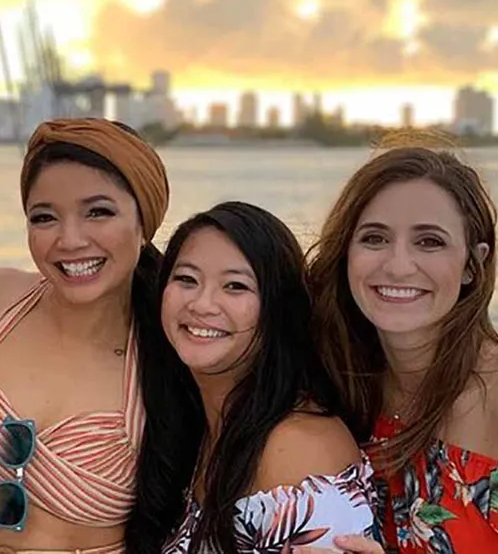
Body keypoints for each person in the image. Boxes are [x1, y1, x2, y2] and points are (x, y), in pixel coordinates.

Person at [0, 117, 167, 554]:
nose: (70, 239)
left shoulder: (170, 349)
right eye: (44, 217)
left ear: (145, 221)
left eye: (97, 212)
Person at [308, 144, 498, 552]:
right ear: (346, 253)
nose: (398, 265)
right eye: (374, 238)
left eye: (429, 242)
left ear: (471, 265)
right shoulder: (342, 379)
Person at [125, 202, 376, 554]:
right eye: (186, 279)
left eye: (235, 286)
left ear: (276, 309)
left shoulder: (298, 450)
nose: (202, 303)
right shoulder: (199, 425)